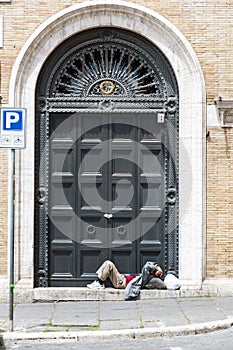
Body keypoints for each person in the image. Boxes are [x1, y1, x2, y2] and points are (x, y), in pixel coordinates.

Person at [86, 260, 164, 290]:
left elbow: (147, 266)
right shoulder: (147, 277)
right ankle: (100, 282)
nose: (156, 271)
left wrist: (157, 267)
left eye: (158, 272)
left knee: (109, 264)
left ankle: (99, 282)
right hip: (123, 278)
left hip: (122, 282)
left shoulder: (147, 279)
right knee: (109, 265)